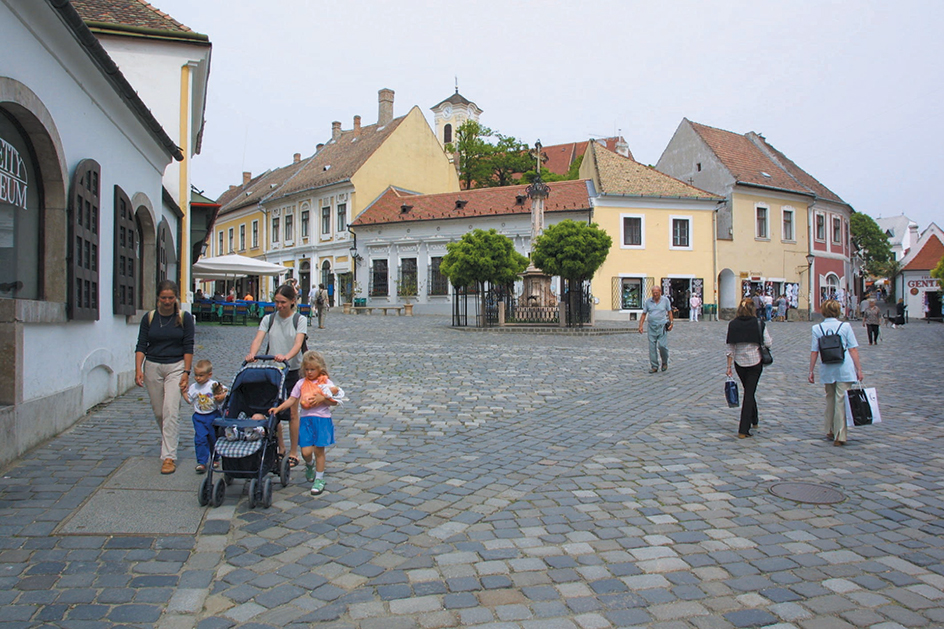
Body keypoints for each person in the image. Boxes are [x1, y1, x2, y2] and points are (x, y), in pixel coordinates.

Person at [135, 280, 194, 475]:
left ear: (176, 298)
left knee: (171, 410)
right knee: (160, 412)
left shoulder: (184, 318)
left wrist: (186, 372)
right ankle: (169, 438)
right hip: (153, 366)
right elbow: (141, 344)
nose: (167, 301)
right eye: (163, 298)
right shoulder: (150, 318)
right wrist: (138, 369)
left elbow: (188, 346)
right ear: (158, 298)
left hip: (176, 366)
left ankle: (169, 456)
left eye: (170, 298)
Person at [245, 284, 307, 468]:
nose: (279, 306)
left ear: (292, 302)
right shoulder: (268, 319)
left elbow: (298, 343)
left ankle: (294, 452)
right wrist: (252, 354)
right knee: (273, 409)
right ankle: (280, 447)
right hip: (273, 371)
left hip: (292, 370)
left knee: (293, 413)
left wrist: (287, 356)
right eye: (277, 302)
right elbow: (258, 338)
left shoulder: (299, 319)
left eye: (283, 303)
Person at [269, 351, 343, 496]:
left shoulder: (326, 384)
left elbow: (335, 401)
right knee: (306, 451)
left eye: (312, 369)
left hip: (322, 419)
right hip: (306, 421)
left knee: (319, 450)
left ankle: (319, 479)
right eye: (307, 369)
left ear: (320, 369)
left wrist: (323, 399)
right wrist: (278, 408)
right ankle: (309, 464)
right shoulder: (301, 383)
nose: (309, 372)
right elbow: (292, 399)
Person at [809, 299, 862, 446]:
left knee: (830, 399)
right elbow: (853, 349)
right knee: (841, 401)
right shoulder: (845, 327)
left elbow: (814, 351)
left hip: (827, 367)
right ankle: (840, 435)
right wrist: (859, 369)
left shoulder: (817, 328)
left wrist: (811, 370)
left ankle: (829, 429)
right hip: (844, 367)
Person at [725, 298, 773, 439]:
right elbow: (768, 343)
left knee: (749, 390)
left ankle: (754, 419)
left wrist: (728, 366)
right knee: (749, 393)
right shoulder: (758, 323)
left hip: (739, 362)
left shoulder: (733, 324)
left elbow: (730, 348)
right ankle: (743, 429)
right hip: (755, 361)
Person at [183, 359, 227, 473]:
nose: (198, 378)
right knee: (200, 438)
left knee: (213, 438)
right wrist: (183, 393)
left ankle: (215, 457)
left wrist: (221, 396)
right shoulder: (194, 387)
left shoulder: (214, 385)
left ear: (209, 375)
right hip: (199, 417)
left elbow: (226, 392)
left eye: (201, 376)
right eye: (196, 375)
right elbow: (189, 399)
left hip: (213, 415)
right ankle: (202, 462)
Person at [638, 286, 673, 373]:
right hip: (651, 327)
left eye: (657, 292)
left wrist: (671, 322)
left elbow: (669, 311)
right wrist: (640, 326)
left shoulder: (665, 300)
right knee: (652, 348)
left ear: (660, 292)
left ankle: (664, 362)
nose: (655, 294)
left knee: (662, 346)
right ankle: (654, 366)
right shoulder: (648, 302)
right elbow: (644, 314)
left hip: (662, 326)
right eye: (653, 292)